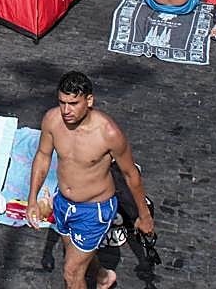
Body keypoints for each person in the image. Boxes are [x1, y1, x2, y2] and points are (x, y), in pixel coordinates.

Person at [28, 71, 153, 289]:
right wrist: (32, 199)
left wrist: (144, 216)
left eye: (73, 103)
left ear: (89, 100)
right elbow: (43, 155)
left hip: (94, 210)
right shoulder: (52, 120)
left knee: (72, 272)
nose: (66, 110)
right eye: (62, 102)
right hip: (63, 203)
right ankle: (104, 277)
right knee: (74, 251)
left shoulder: (108, 133)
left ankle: (98, 278)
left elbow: (131, 174)